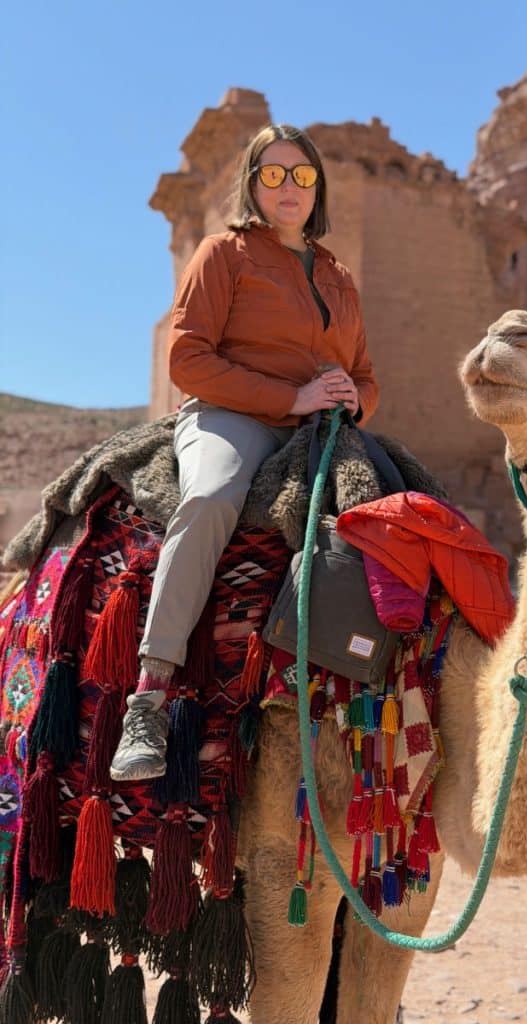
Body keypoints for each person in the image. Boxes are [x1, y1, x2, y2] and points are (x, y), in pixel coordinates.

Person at [110, 124, 379, 781]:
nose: (291, 188)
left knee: (402, 523)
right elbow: (187, 358)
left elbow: (366, 374)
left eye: (304, 176)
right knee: (209, 498)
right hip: (235, 415)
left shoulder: (339, 276)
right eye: (275, 174)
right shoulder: (223, 253)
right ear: (252, 184)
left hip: (323, 428)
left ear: (319, 188)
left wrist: (352, 395)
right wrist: (291, 397)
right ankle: (149, 696)